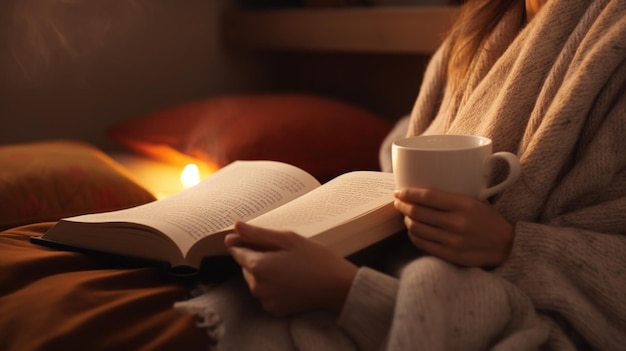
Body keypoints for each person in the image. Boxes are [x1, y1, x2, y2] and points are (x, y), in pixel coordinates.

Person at [177, 0, 626, 349]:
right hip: (392, 274)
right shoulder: (482, 30)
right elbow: (415, 134)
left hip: (449, 302)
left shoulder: (611, 38)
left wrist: (514, 247)